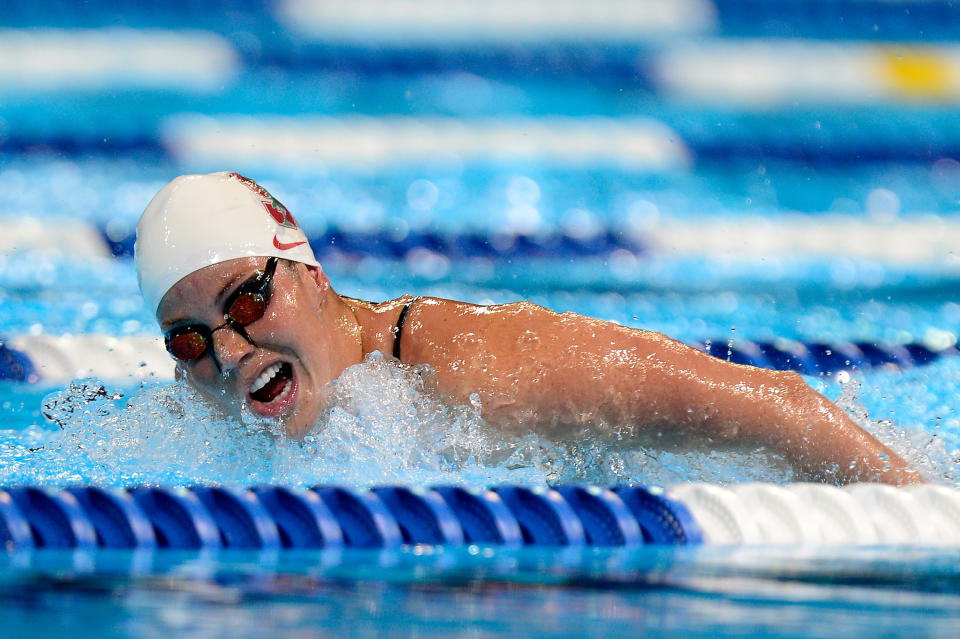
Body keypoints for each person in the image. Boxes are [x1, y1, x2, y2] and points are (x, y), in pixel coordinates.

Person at [135, 171, 922, 485]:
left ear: (310, 272)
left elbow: (776, 404)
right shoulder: (201, 428)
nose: (230, 351)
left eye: (243, 302)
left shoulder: (474, 371)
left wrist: (919, 517)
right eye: (191, 340)